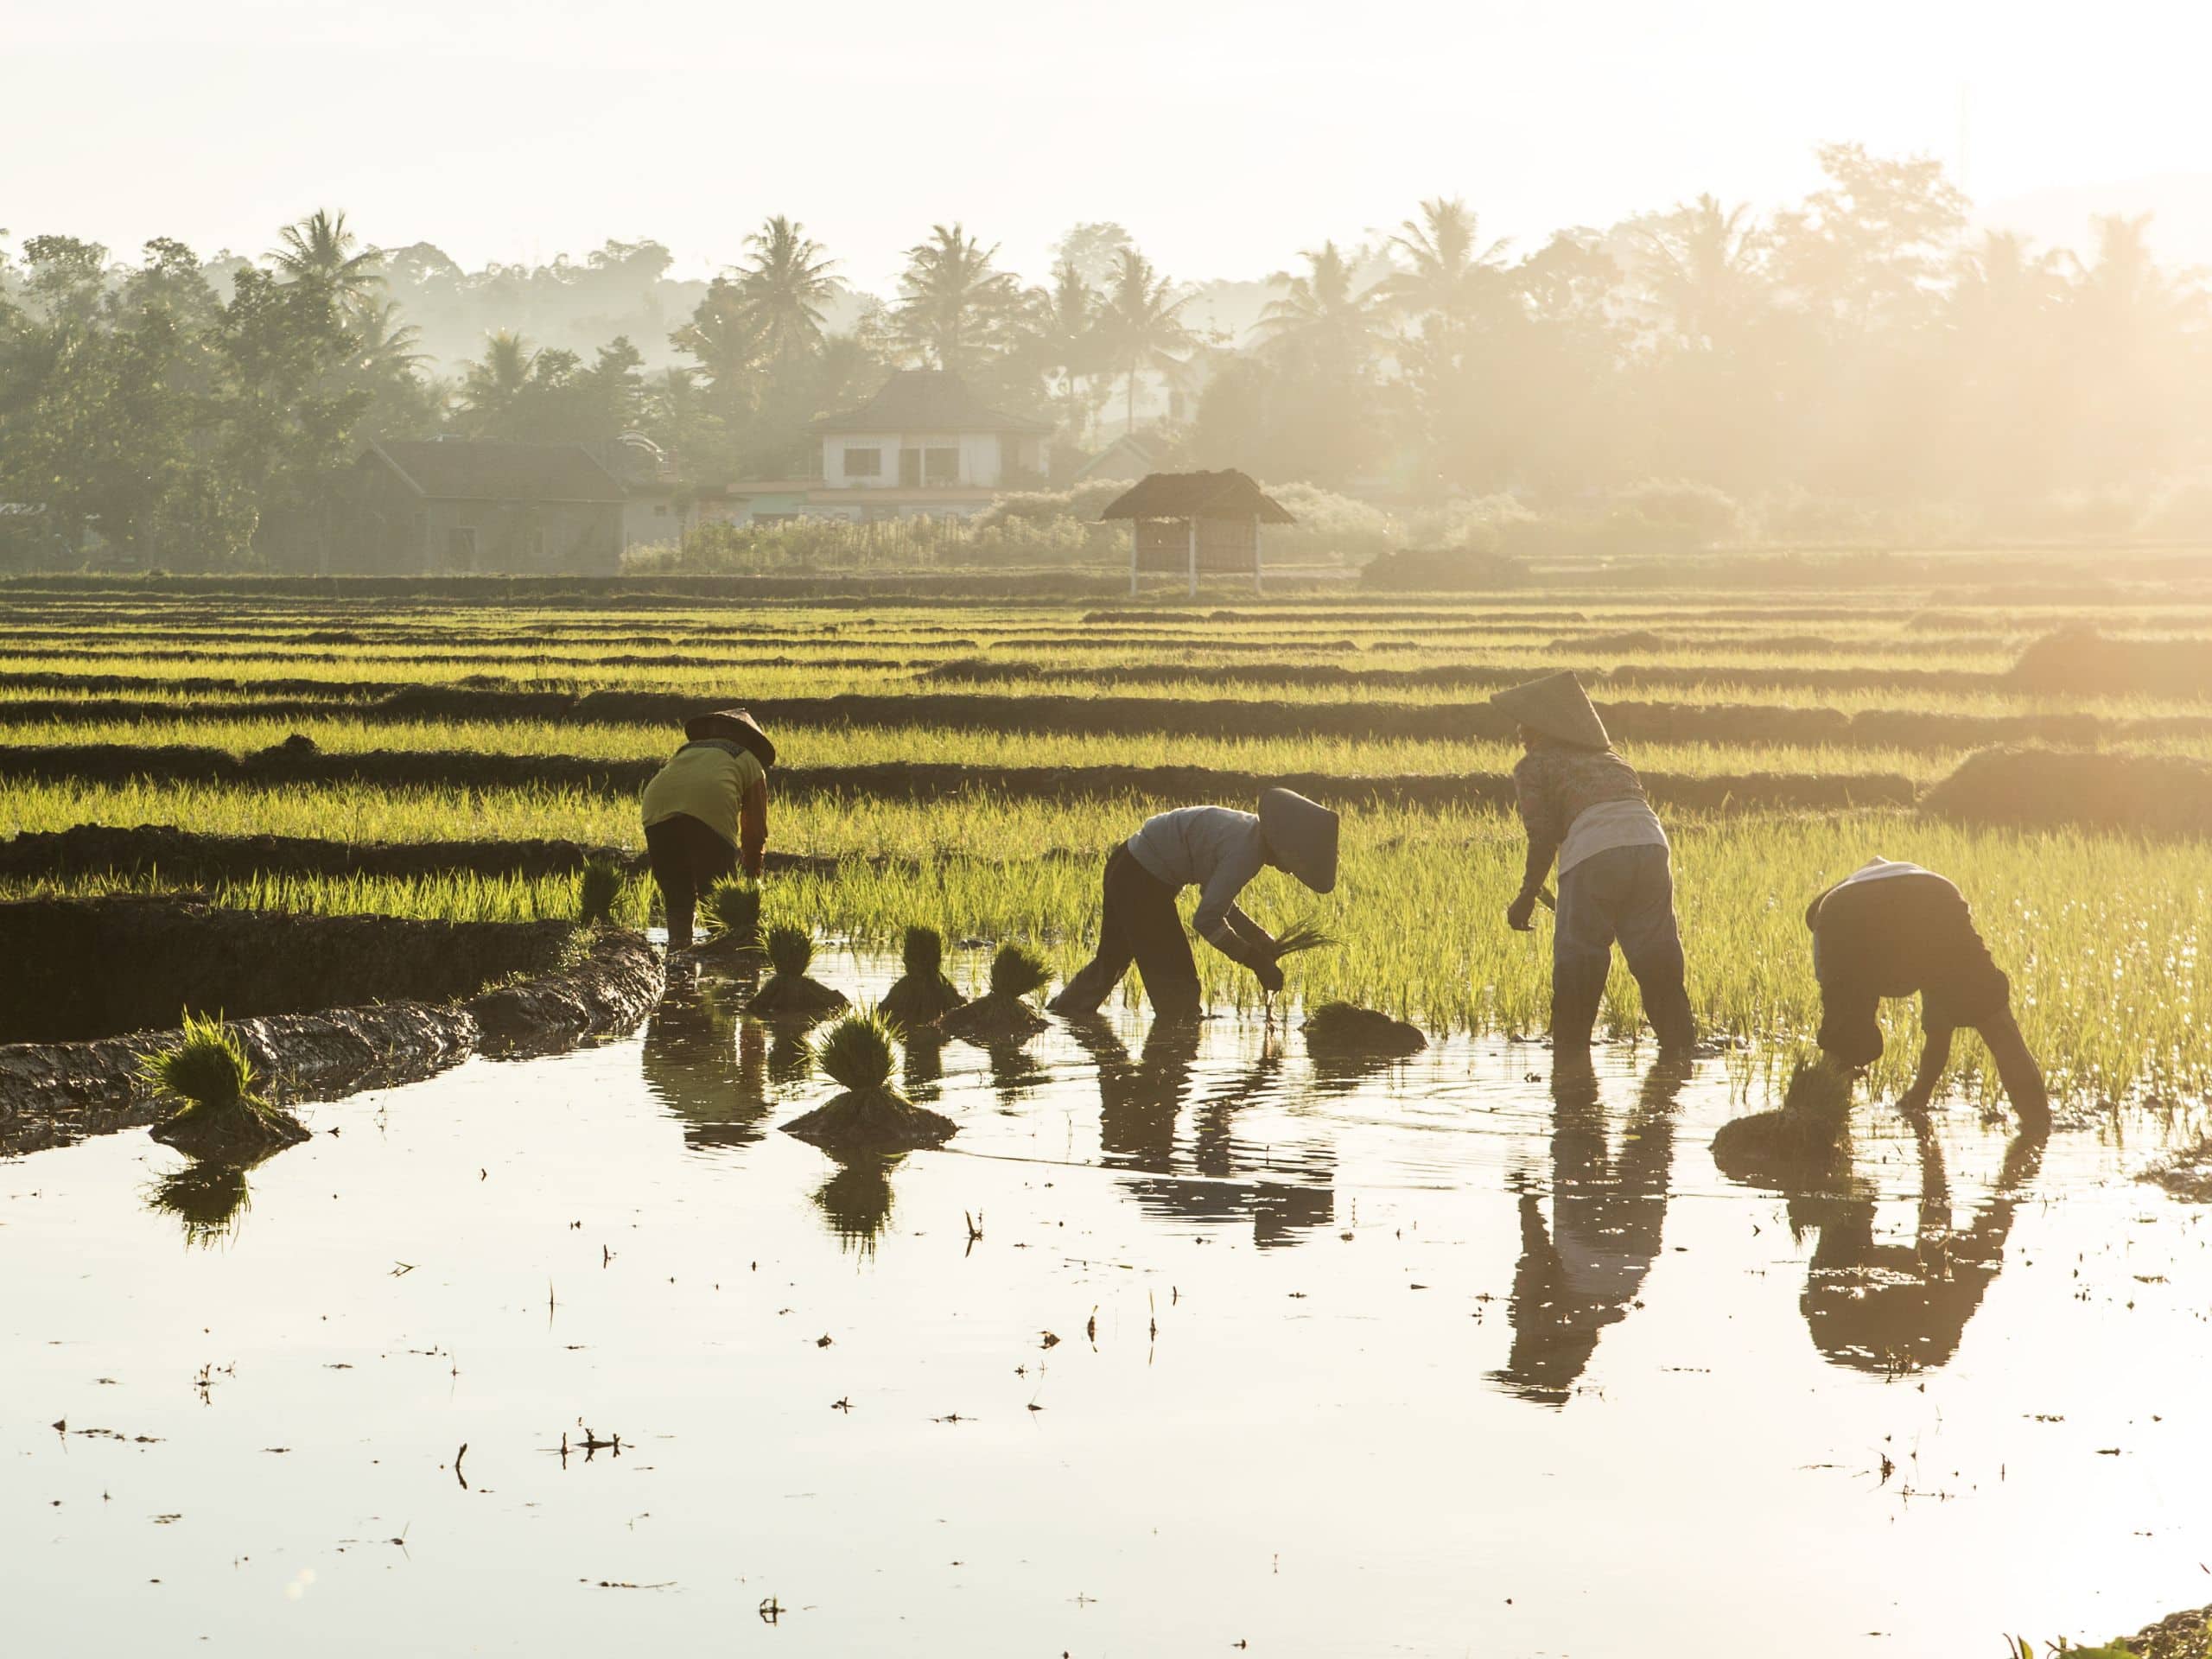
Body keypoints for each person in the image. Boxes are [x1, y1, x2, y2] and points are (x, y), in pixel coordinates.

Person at [1492, 671, 1694, 1052]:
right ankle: (1681, 1053)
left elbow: (1542, 835)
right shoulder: (1612, 759)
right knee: (1657, 958)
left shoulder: (1533, 765)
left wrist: (1526, 895)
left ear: (1545, 726)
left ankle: (1571, 1065)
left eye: (1525, 724)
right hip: (1651, 845)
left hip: (1593, 853)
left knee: (1579, 960)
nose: (1520, 732)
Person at [1048, 788, 1339, 1019]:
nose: (1290, 870)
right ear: (1285, 843)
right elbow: (1205, 919)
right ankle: (1171, 1065)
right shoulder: (1247, 853)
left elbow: (1214, 897)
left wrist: (1256, 935)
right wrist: (1254, 961)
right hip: (1142, 882)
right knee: (1179, 990)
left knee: (1109, 962)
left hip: (1126, 863)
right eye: (1295, 861)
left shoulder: (1246, 830)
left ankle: (1060, 1015)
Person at [1805, 857, 2047, 1117]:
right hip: (1937, 897)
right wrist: (1919, 1094)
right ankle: (2038, 1129)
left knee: (1840, 1043)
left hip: (1852, 912)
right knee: (1999, 1028)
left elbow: (1837, 1003)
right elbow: (1938, 1031)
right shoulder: (1906, 880)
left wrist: (1844, 1037)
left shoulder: (1832, 908)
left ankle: (1823, 1132)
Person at [639, 708, 774, 950]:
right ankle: (729, 963)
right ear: (749, 739)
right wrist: (752, 876)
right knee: (719, 900)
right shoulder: (750, 761)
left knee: (677, 897)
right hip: (707, 810)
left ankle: (678, 955)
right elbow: (754, 829)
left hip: (655, 809)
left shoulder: (687, 751)